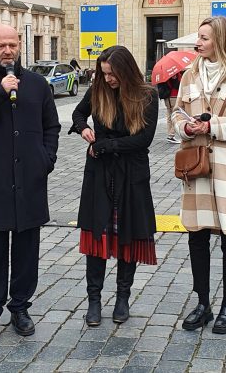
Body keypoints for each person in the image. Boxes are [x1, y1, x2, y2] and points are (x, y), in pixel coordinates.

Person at [0, 24, 60, 343]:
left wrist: (46, 160)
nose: (7, 50)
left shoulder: (38, 84)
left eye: (12, 44)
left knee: (27, 251)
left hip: (30, 182)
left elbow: (52, 126)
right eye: (1, 45)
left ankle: (20, 307)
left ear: (20, 46)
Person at [172, 16, 226, 335]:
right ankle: (202, 303)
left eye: (205, 37)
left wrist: (214, 126)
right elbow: (175, 114)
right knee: (196, 234)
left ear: (221, 40)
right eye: (198, 36)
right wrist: (186, 126)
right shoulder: (189, 75)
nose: (198, 42)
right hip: (195, 166)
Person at [69, 45, 158, 327]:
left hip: (131, 175)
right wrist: (83, 128)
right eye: (104, 74)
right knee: (97, 237)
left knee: (126, 237)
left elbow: (143, 139)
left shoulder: (147, 95)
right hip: (99, 173)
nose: (108, 79)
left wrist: (106, 145)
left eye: (112, 74)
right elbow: (78, 114)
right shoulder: (98, 90)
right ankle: (93, 301)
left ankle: (122, 298)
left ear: (125, 70)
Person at [157, 71, 182, 143]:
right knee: (177, 116)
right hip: (173, 97)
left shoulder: (164, 73)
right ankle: (171, 135)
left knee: (169, 116)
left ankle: (170, 135)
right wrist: (175, 79)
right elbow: (176, 86)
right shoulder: (174, 73)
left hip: (167, 98)